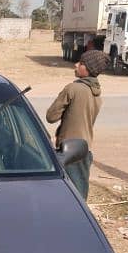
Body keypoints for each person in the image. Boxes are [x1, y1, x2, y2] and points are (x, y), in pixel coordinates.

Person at [46, 49, 110, 200]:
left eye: (80, 63)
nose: (75, 65)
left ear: (88, 68)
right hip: (85, 151)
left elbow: (51, 116)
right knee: (80, 195)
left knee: (70, 198)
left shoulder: (73, 88)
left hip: (69, 152)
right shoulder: (96, 93)